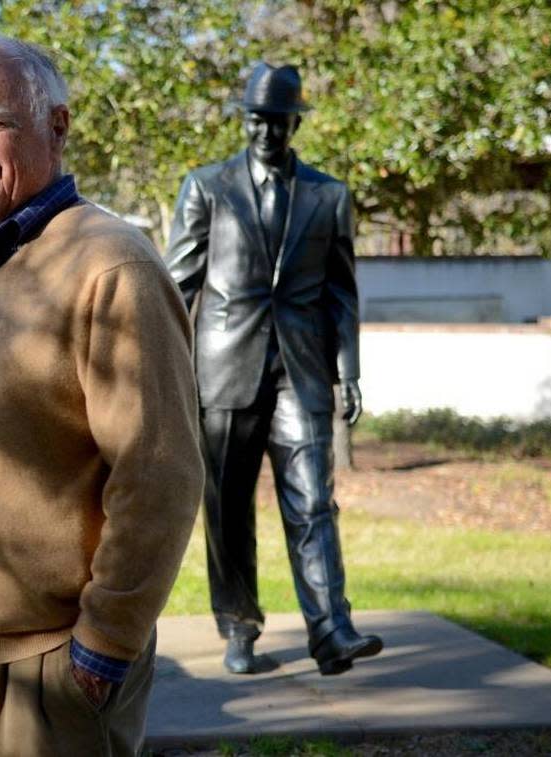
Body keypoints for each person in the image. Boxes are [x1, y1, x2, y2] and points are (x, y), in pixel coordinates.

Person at [0, 33, 204, 755]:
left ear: (57, 127)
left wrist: (104, 645)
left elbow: (159, 473)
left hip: (49, 667)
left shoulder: (113, 264)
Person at [164, 63, 383, 676]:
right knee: (228, 509)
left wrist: (349, 369)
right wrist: (163, 369)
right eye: (255, 119)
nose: (265, 130)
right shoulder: (207, 187)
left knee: (315, 501)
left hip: (303, 370)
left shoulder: (328, 195)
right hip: (224, 370)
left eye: (276, 120)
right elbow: (176, 285)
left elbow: (341, 291)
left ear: (295, 122)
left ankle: (331, 628)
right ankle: (238, 625)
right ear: (245, 120)